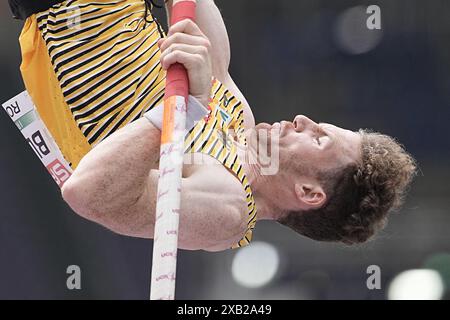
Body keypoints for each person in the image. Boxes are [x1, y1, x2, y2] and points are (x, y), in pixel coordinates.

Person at [11, 0, 417, 252]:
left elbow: (88, 195)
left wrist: (184, 109)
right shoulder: (240, 120)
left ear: (309, 192)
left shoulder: (228, 210)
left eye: (319, 137)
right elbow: (197, 25)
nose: (303, 120)